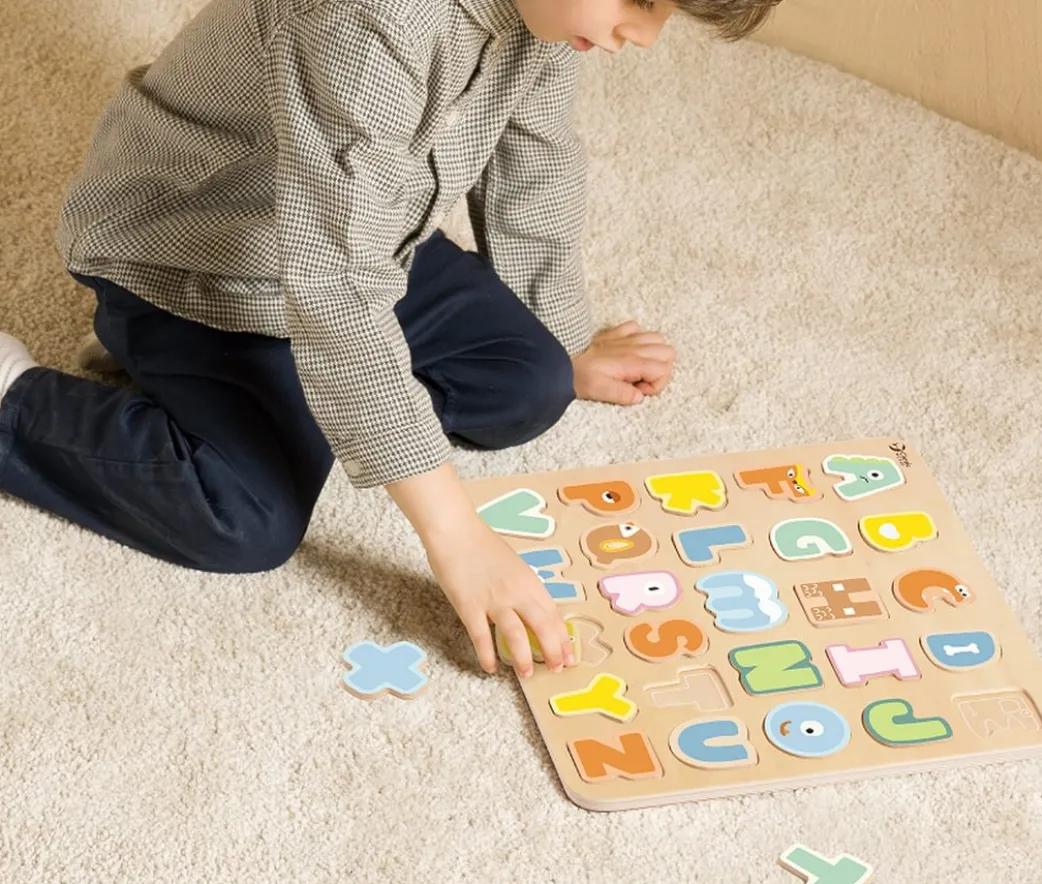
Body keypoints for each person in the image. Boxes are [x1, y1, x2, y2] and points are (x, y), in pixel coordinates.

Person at [0, 0, 781, 679]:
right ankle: (17, 400)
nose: (640, 35)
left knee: (531, 381)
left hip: (372, 236)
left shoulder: (547, 20)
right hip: (192, 261)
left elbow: (534, 161)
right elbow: (334, 283)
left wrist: (567, 335)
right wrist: (456, 532)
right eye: (639, 1)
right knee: (245, 520)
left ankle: (333, 403)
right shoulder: (366, 18)